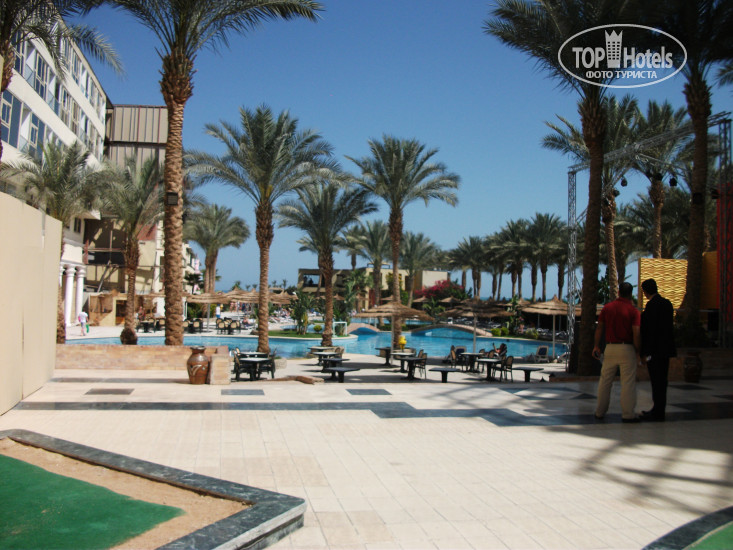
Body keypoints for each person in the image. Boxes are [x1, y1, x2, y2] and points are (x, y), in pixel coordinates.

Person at [593, 282, 641, 423]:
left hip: (610, 347)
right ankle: (628, 414)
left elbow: (599, 328)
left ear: (619, 292)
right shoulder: (633, 311)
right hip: (627, 348)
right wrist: (638, 350)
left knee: (605, 381)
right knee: (628, 383)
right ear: (630, 294)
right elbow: (636, 333)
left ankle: (600, 411)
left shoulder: (607, 308)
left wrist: (596, 346)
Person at [640, 278, 676, 422]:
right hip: (665, 350)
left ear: (645, 291)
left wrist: (644, 351)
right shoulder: (667, 304)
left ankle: (657, 411)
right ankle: (660, 409)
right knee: (663, 381)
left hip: (654, 351)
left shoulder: (651, 306)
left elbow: (648, 331)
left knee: (656, 381)